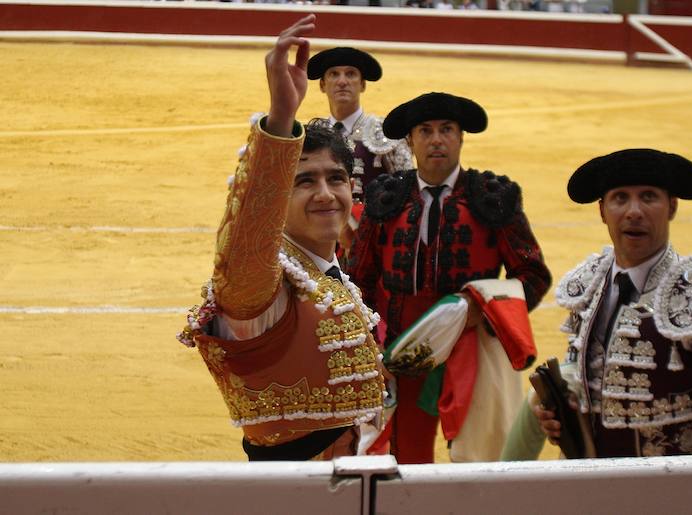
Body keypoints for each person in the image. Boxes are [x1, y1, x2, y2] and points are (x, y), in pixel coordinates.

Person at [177, 15, 387, 461]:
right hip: (293, 488)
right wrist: (280, 120)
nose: (326, 194)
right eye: (304, 181)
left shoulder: (327, 274)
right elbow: (246, 233)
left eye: (336, 178)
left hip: (348, 475)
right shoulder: (261, 281)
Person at [346, 92, 552, 464]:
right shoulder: (386, 197)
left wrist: (485, 310)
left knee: (482, 456)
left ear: (460, 138)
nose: (436, 139)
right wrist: (371, 345)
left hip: (474, 349)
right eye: (425, 131)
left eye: (446, 130)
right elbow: (360, 277)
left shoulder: (491, 198)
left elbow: (532, 274)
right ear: (410, 141)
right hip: (404, 353)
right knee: (406, 458)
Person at [532, 148, 692, 457]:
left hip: (670, 495)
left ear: (671, 207)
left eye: (648, 197)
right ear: (602, 210)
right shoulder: (589, 286)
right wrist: (564, 418)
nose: (634, 212)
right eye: (620, 198)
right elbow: (589, 386)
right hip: (586, 490)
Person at [307, 47, 412, 207]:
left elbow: (407, 192)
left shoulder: (386, 132)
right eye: (334, 74)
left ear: (362, 85)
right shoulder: (313, 134)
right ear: (322, 85)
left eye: (351, 74)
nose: (342, 81)